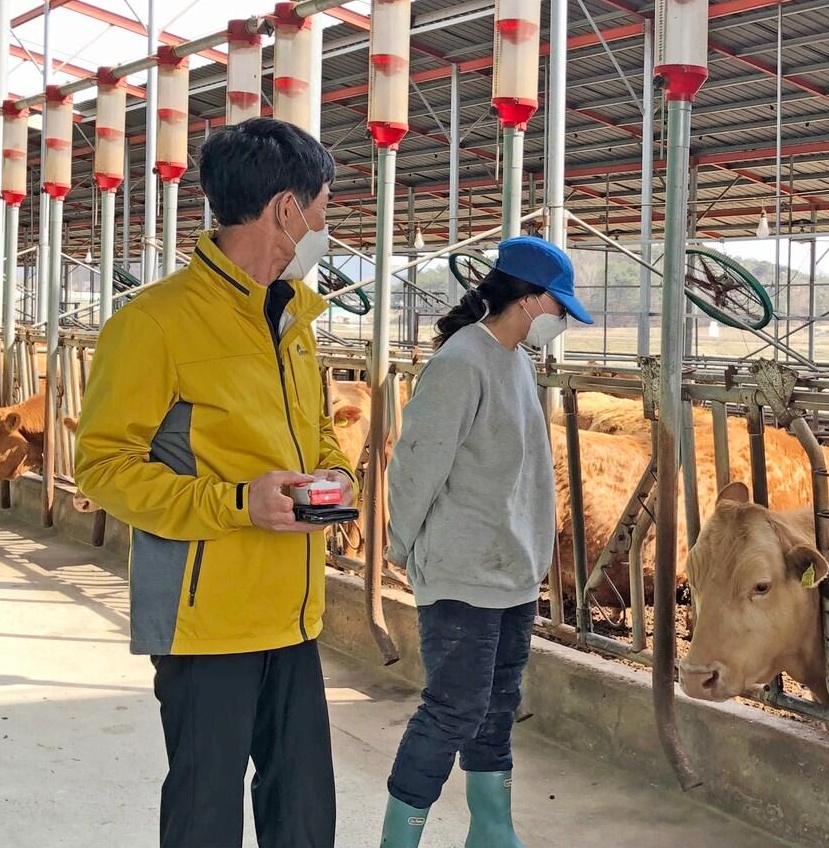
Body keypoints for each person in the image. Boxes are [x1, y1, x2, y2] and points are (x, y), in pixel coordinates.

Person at [75, 118, 356, 848]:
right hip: (206, 625)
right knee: (205, 817)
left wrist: (335, 476)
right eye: (321, 207)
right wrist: (237, 503)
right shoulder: (154, 324)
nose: (324, 227)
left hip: (293, 617)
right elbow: (102, 466)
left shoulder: (293, 320)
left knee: (305, 817)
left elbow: (317, 433)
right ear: (285, 210)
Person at [378, 237, 593, 847]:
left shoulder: (515, 360)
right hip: (464, 568)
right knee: (453, 708)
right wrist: (403, 547)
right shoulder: (461, 363)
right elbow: (417, 466)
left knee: (498, 705)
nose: (560, 320)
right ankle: (401, 836)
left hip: (512, 569)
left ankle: (492, 829)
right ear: (527, 300)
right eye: (557, 307)